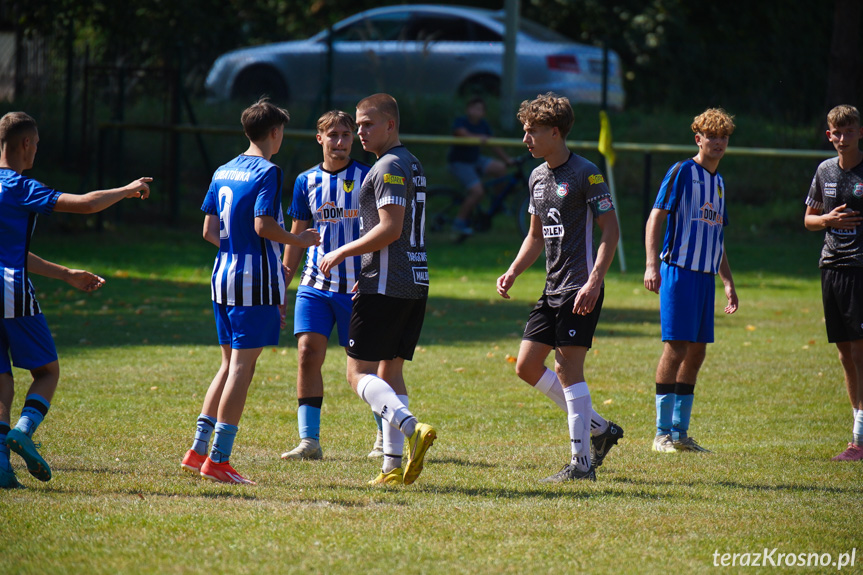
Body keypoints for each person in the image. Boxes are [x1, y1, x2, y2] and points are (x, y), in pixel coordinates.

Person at [0, 111, 151, 488]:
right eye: (36, 144)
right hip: (9, 289)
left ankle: (1, 465)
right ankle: (22, 431)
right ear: (25, 144)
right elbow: (84, 204)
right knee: (47, 372)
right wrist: (126, 190)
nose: (36, 150)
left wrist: (66, 274)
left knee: (1, 377)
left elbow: (12, 250)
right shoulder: (19, 186)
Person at [180, 98, 320, 485]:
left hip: (221, 276)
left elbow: (209, 231)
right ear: (275, 132)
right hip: (253, 282)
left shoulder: (223, 169)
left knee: (227, 365)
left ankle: (197, 451)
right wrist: (298, 238)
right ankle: (219, 460)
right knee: (242, 367)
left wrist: (236, 249)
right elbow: (263, 226)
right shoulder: (269, 171)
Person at [496, 92, 621, 483]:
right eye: (524, 131)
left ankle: (580, 465)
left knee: (568, 370)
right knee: (527, 365)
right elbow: (535, 236)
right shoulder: (537, 176)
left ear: (555, 132)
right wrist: (514, 271)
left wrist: (594, 282)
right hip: (552, 289)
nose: (526, 139)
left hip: (580, 288)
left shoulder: (587, 173)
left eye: (532, 132)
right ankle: (600, 429)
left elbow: (611, 230)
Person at [319, 93, 436, 486]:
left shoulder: (387, 166)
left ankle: (411, 427)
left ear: (391, 125)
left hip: (387, 284)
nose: (360, 132)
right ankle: (390, 466)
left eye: (368, 124)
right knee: (390, 370)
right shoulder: (413, 162)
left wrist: (340, 253)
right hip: (413, 281)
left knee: (357, 374)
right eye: (359, 124)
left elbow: (390, 228)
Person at [279, 110, 384, 461]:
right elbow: (297, 237)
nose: (340, 142)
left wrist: (372, 277)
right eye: (333, 135)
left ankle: (385, 438)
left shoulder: (369, 177)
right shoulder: (305, 181)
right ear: (319, 139)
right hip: (315, 286)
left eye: (346, 135)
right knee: (308, 354)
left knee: (367, 368)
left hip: (360, 288)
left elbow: (383, 235)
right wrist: (281, 285)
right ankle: (309, 442)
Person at [643, 107, 738, 454]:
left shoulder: (719, 182)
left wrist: (727, 281)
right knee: (677, 346)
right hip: (679, 271)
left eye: (723, 137)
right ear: (698, 138)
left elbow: (717, 237)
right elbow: (656, 217)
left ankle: (681, 433)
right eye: (711, 136)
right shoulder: (683, 171)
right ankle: (661, 434)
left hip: (704, 278)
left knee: (696, 352)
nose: (717, 142)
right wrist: (651, 264)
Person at [804, 104, 863, 461]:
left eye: (849, 131)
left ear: (860, 132)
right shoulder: (824, 170)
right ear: (829, 135)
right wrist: (827, 219)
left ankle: (857, 439)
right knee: (844, 352)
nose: (842, 138)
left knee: (860, 350)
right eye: (836, 133)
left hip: (860, 267)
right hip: (831, 265)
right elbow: (808, 219)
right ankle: (857, 431)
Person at [447, 96, 513, 237]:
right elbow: (460, 133)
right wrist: (479, 138)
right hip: (460, 162)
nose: (476, 111)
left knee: (501, 168)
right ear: (468, 109)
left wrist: (507, 159)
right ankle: (459, 222)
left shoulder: (483, 124)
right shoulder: (461, 121)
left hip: (475, 160)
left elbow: (492, 143)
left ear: (483, 113)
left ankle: (497, 203)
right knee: (477, 191)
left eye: (480, 109)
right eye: (474, 108)